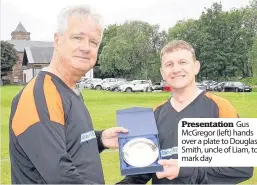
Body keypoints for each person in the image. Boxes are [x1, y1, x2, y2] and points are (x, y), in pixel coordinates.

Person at [9, 5, 128, 184]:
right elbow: (60, 175)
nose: (86, 48)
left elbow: (69, 142)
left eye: (93, 42)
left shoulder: (69, 90)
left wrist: (99, 139)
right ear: (57, 41)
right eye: (77, 38)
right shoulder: (40, 95)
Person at [116, 40, 253, 184]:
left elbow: (243, 167)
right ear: (163, 72)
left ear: (196, 67)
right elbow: (141, 171)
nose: (176, 69)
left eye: (183, 62)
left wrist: (184, 169)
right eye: (169, 64)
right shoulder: (155, 114)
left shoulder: (220, 107)